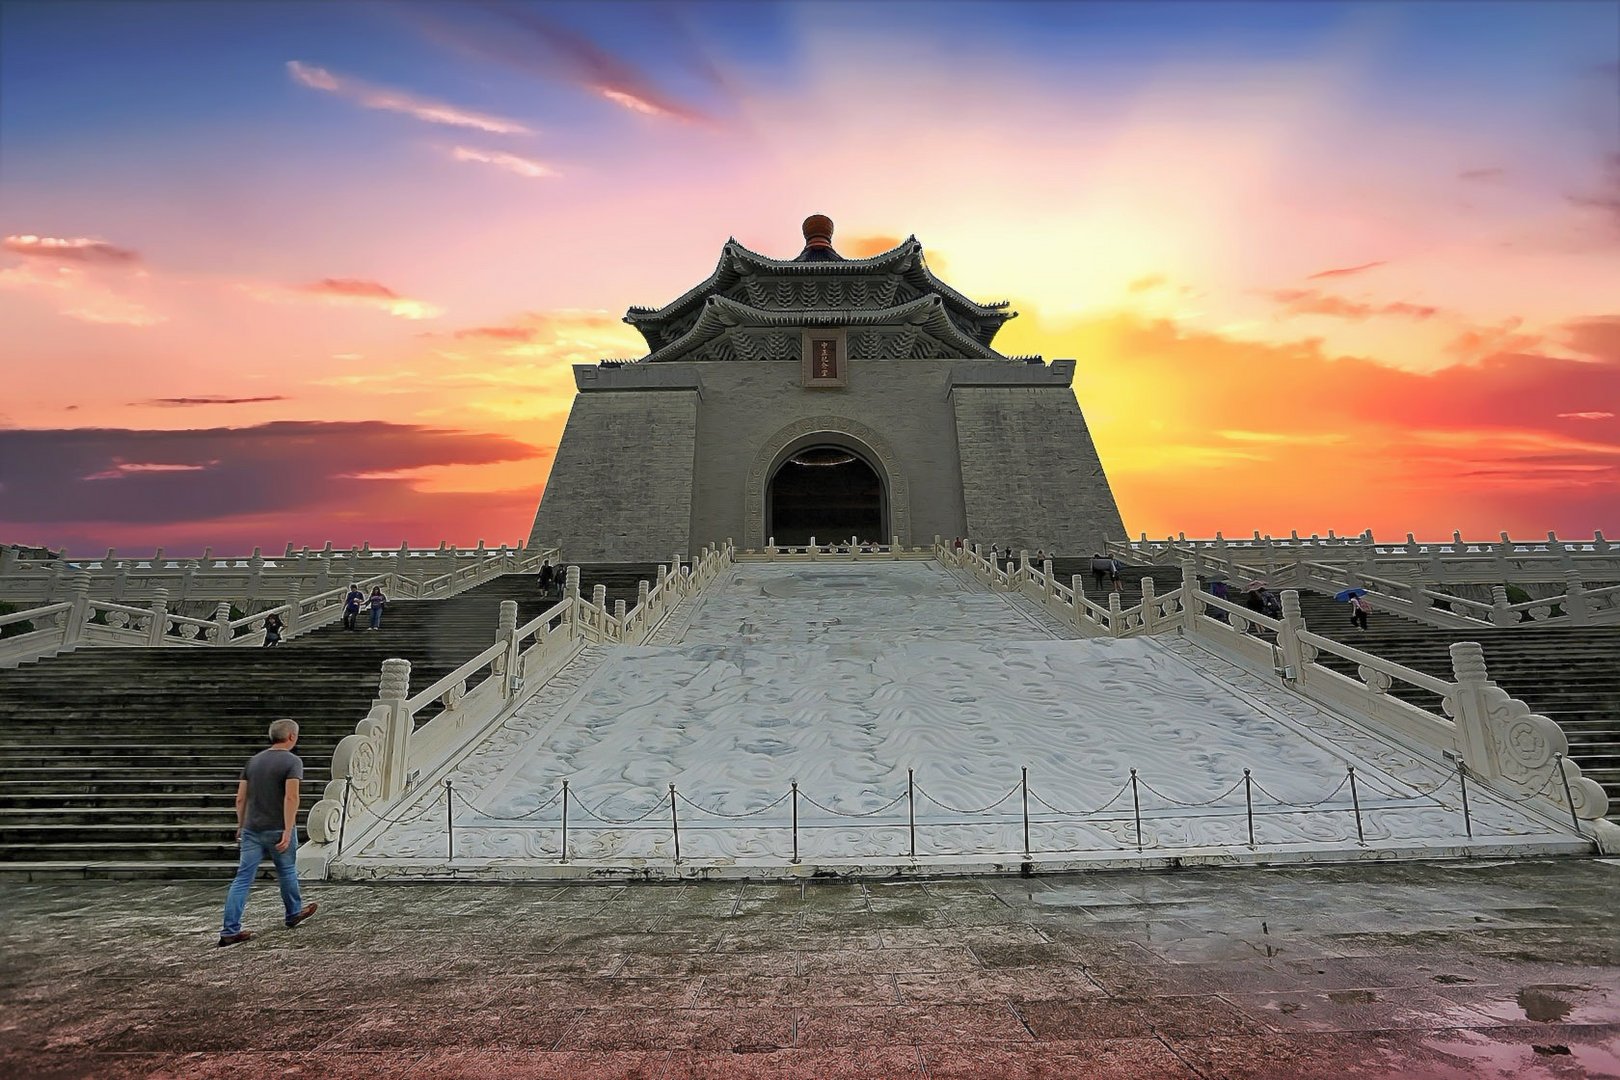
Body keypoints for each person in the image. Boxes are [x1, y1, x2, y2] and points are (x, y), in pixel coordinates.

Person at [218, 719, 316, 947]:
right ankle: (292, 913)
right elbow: (291, 797)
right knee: (287, 871)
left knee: (242, 879)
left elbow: (241, 797)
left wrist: (240, 825)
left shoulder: (253, 762)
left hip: (252, 829)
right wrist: (288, 829)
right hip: (277, 827)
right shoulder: (292, 761)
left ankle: (229, 930)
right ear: (292, 736)